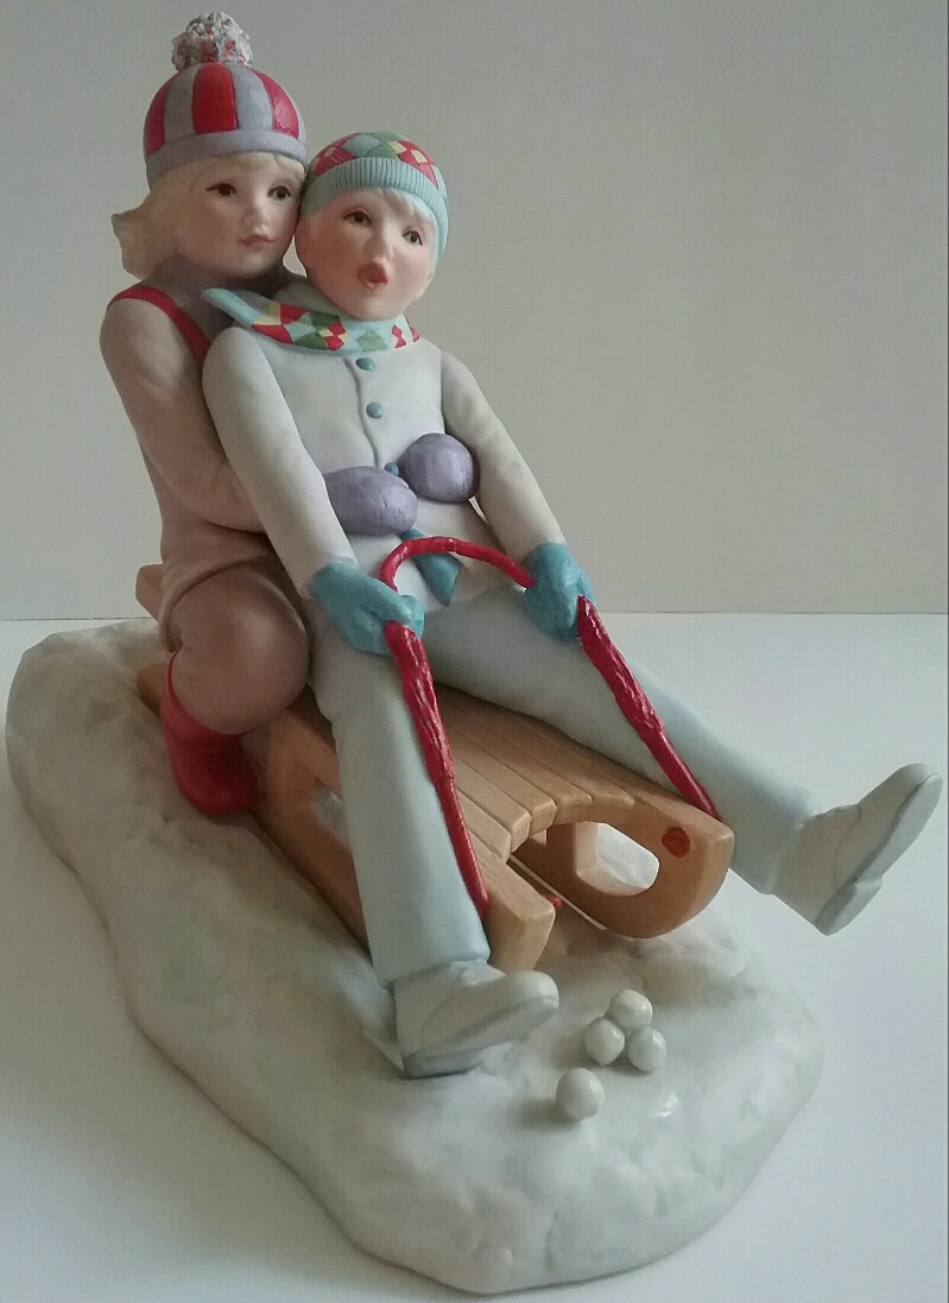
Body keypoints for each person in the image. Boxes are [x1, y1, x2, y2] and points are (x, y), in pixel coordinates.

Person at [199, 129, 943, 1077]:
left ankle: (801, 847)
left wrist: (545, 552)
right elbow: (278, 474)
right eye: (357, 217)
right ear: (305, 233)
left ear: (433, 263)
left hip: (468, 580)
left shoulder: (434, 363)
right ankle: (432, 982)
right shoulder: (247, 352)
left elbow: (500, 465)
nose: (385, 246)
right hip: (349, 601)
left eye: (414, 233)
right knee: (381, 728)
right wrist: (329, 575)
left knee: (600, 677)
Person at [100, 13, 310, 816]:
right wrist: (334, 499)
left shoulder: (309, 303)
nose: (259, 215)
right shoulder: (144, 320)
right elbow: (204, 484)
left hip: (346, 532)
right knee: (258, 653)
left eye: (280, 192)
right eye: (224, 189)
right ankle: (195, 720)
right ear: (171, 198)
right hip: (225, 550)